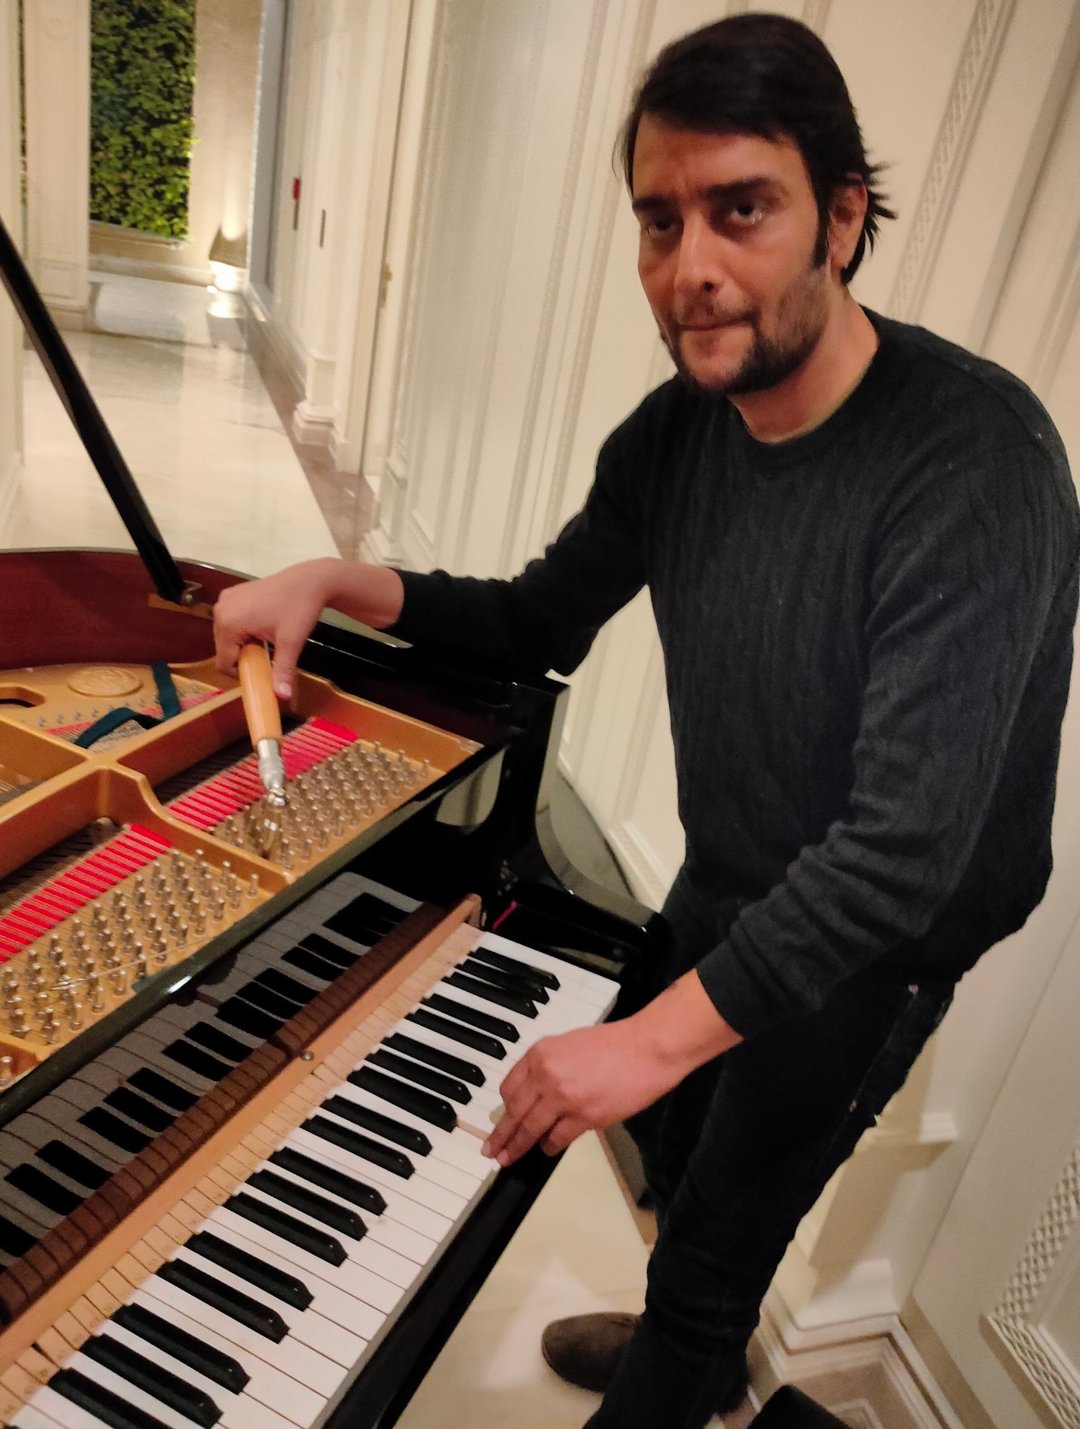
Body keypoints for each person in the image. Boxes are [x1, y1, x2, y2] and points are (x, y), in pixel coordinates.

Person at [214, 14, 1079, 1428]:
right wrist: (336, 577)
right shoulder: (679, 430)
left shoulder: (976, 461)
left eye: (742, 210)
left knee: (713, 1253)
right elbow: (534, 618)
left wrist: (649, 1040)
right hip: (739, 872)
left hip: (881, 942)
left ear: (840, 218)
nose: (690, 269)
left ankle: (692, 1349)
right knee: (677, 1162)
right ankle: (689, 1306)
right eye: (660, 220)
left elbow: (903, 852)